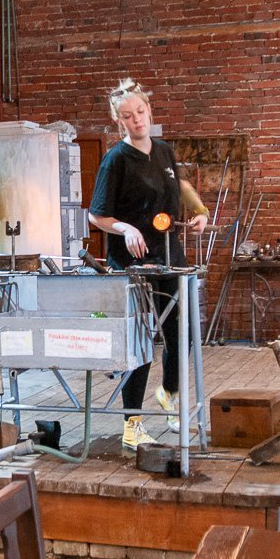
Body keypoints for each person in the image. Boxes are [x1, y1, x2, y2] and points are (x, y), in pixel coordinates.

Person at [88, 79, 208, 450]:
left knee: (181, 330)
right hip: (132, 261)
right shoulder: (115, 160)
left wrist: (199, 209)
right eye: (127, 116)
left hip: (169, 254)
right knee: (139, 343)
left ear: (149, 112)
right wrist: (124, 229)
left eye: (140, 112)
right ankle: (132, 424)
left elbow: (181, 186)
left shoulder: (164, 151)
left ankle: (169, 391)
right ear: (118, 121)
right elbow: (97, 216)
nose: (136, 120)